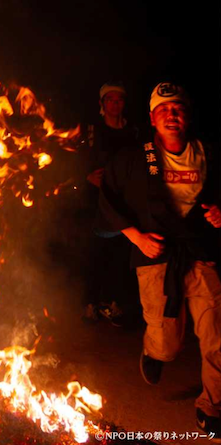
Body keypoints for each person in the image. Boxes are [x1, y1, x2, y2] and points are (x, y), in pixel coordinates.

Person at [98, 82, 221, 435]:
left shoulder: (209, 154)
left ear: (188, 116)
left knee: (216, 333)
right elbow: (108, 200)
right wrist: (136, 238)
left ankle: (212, 405)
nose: (172, 114)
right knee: (169, 342)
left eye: (178, 108)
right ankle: (154, 353)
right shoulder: (135, 158)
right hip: (156, 255)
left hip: (199, 252)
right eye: (164, 109)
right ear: (152, 118)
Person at [83, 82, 139, 326]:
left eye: (119, 100)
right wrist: (85, 178)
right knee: (97, 252)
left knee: (121, 252)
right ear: (102, 104)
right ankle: (91, 303)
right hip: (98, 201)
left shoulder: (134, 132)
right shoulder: (92, 132)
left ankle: (113, 303)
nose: (115, 104)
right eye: (110, 100)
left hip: (125, 200)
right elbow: (79, 160)